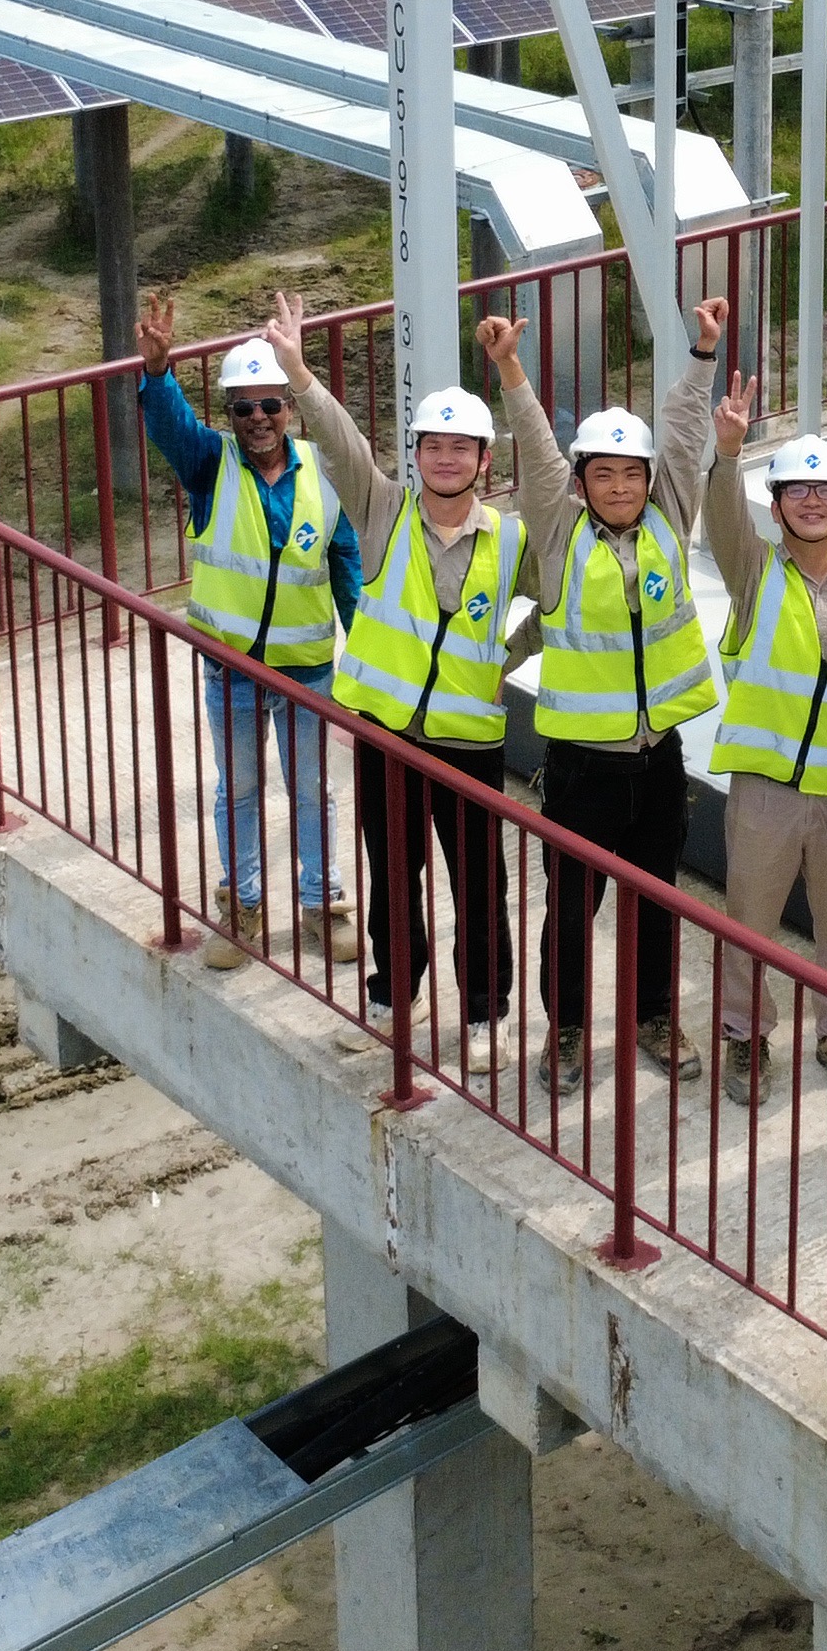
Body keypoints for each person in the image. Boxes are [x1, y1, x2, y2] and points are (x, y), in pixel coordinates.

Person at [484, 297, 726, 1096]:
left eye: (631, 473)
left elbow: (684, 438)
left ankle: (654, 1014)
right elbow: (536, 447)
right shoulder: (559, 533)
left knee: (658, 898)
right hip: (582, 767)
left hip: (658, 759)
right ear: (582, 482)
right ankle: (567, 1030)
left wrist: (701, 355)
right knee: (572, 908)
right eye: (603, 474)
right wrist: (511, 371)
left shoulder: (668, 518)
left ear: (649, 482)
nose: (620, 486)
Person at [277, 289, 517, 1072]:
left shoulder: (509, 541)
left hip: (468, 744)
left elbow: (565, 602)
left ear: (484, 460)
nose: (445, 459)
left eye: (460, 449)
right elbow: (339, 442)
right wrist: (299, 374)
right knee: (392, 876)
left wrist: (508, 659)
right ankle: (393, 993)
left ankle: (484, 1013)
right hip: (387, 736)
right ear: (415, 456)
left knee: (479, 884)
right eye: (431, 447)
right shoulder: (384, 512)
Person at [133, 295, 368, 970]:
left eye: (270, 405)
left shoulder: (323, 473)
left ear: (290, 408)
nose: (258, 419)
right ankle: (242, 906)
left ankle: (323, 902)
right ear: (229, 415)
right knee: (236, 791)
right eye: (243, 409)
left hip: (305, 671)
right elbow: (170, 427)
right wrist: (158, 373)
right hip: (231, 671)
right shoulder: (211, 465)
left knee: (312, 791)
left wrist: (369, 665)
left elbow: (348, 572)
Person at [698, 369, 827, 1107]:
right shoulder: (756, 570)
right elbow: (722, 520)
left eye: (825, 490)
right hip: (766, 790)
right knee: (750, 924)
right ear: (777, 501)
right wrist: (728, 453)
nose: (812, 500)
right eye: (797, 490)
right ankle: (744, 1035)